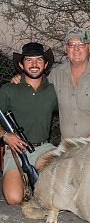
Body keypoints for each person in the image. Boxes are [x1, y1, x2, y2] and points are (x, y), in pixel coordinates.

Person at [12, 27, 90, 139]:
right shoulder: (56, 74)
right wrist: (21, 78)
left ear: (89, 48)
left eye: (81, 44)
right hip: (68, 147)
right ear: (65, 48)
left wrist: (88, 142)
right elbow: (37, 89)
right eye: (71, 45)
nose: (76, 49)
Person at [0, 42, 58, 204]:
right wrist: (5, 136)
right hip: (15, 150)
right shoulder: (8, 89)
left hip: (43, 149)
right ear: (21, 64)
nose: (34, 64)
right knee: (13, 198)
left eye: (39, 60)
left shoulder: (53, 90)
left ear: (45, 64)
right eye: (29, 60)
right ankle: (24, 175)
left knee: (62, 164)